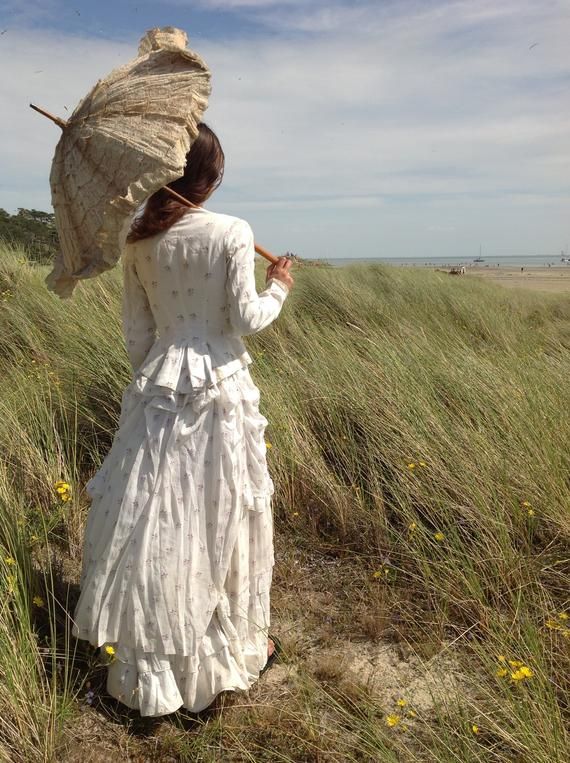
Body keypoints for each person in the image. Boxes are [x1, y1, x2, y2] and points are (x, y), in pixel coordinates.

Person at [71, 123, 294, 716]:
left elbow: (138, 334)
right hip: (221, 388)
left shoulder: (138, 241)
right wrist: (279, 289)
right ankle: (227, 650)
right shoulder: (232, 231)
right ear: (208, 175)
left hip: (161, 387)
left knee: (161, 520)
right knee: (220, 512)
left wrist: (161, 380)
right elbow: (245, 318)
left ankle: (155, 664)